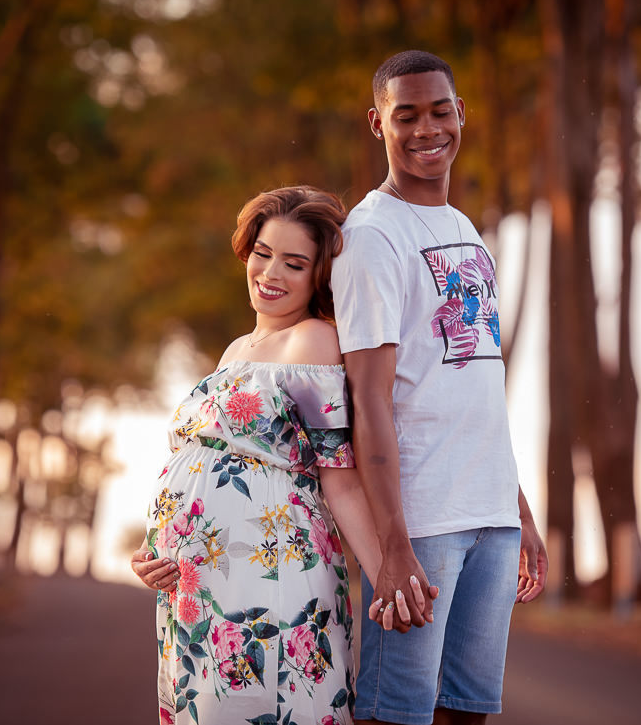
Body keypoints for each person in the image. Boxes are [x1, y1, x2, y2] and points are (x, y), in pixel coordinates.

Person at [130, 186, 427, 725]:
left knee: (269, 706)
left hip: (269, 576)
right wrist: (154, 547)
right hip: (195, 588)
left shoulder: (313, 341)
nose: (270, 273)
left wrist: (387, 574)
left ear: (319, 276)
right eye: (263, 253)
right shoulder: (235, 350)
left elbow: (340, 478)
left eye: (294, 263)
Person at [330, 50, 549, 725]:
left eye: (439, 111)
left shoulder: (464, 229)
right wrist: (391, 544)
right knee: (396, 713)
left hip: (490, 517)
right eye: (407, 116)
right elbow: (368, 399)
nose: (427, 129)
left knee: (467, 711)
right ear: (378, 124)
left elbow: (471, 389)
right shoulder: (371, 236)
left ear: (461, 114)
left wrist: (518, 508)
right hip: (422, 521)